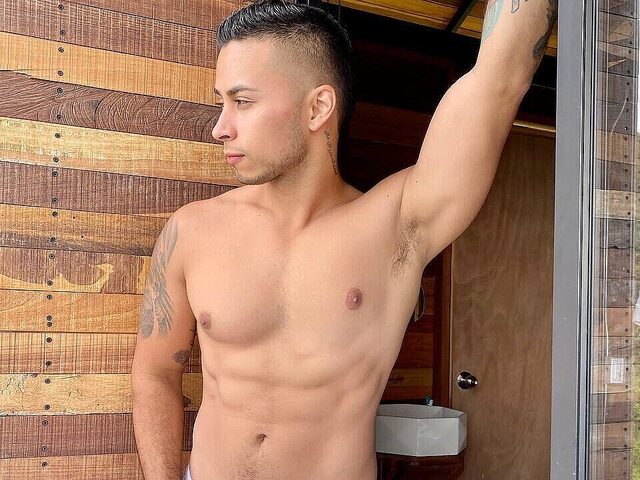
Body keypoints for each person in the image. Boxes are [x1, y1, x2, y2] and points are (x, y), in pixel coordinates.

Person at [131, 0, 557, 479]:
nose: (220, 127)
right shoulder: (191, 231)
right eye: (221, 103)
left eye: (242, 102)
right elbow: (155, 372)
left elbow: (499, 79)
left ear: (318, 108)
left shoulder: (395, 226)